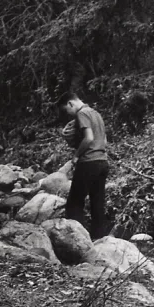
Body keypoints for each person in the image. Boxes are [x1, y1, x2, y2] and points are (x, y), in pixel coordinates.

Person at [58, 91, 110, 238]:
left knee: (74, 203)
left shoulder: (82, 114)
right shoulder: (96, 114)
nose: (69, 114)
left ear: (70, 103)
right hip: (102, 162)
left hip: (88, 162)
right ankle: (99, 240)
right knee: (97, 204)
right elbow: (104, 141)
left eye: (66, 110)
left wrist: (76, 156)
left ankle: (75, 239)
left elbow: (88, 138)